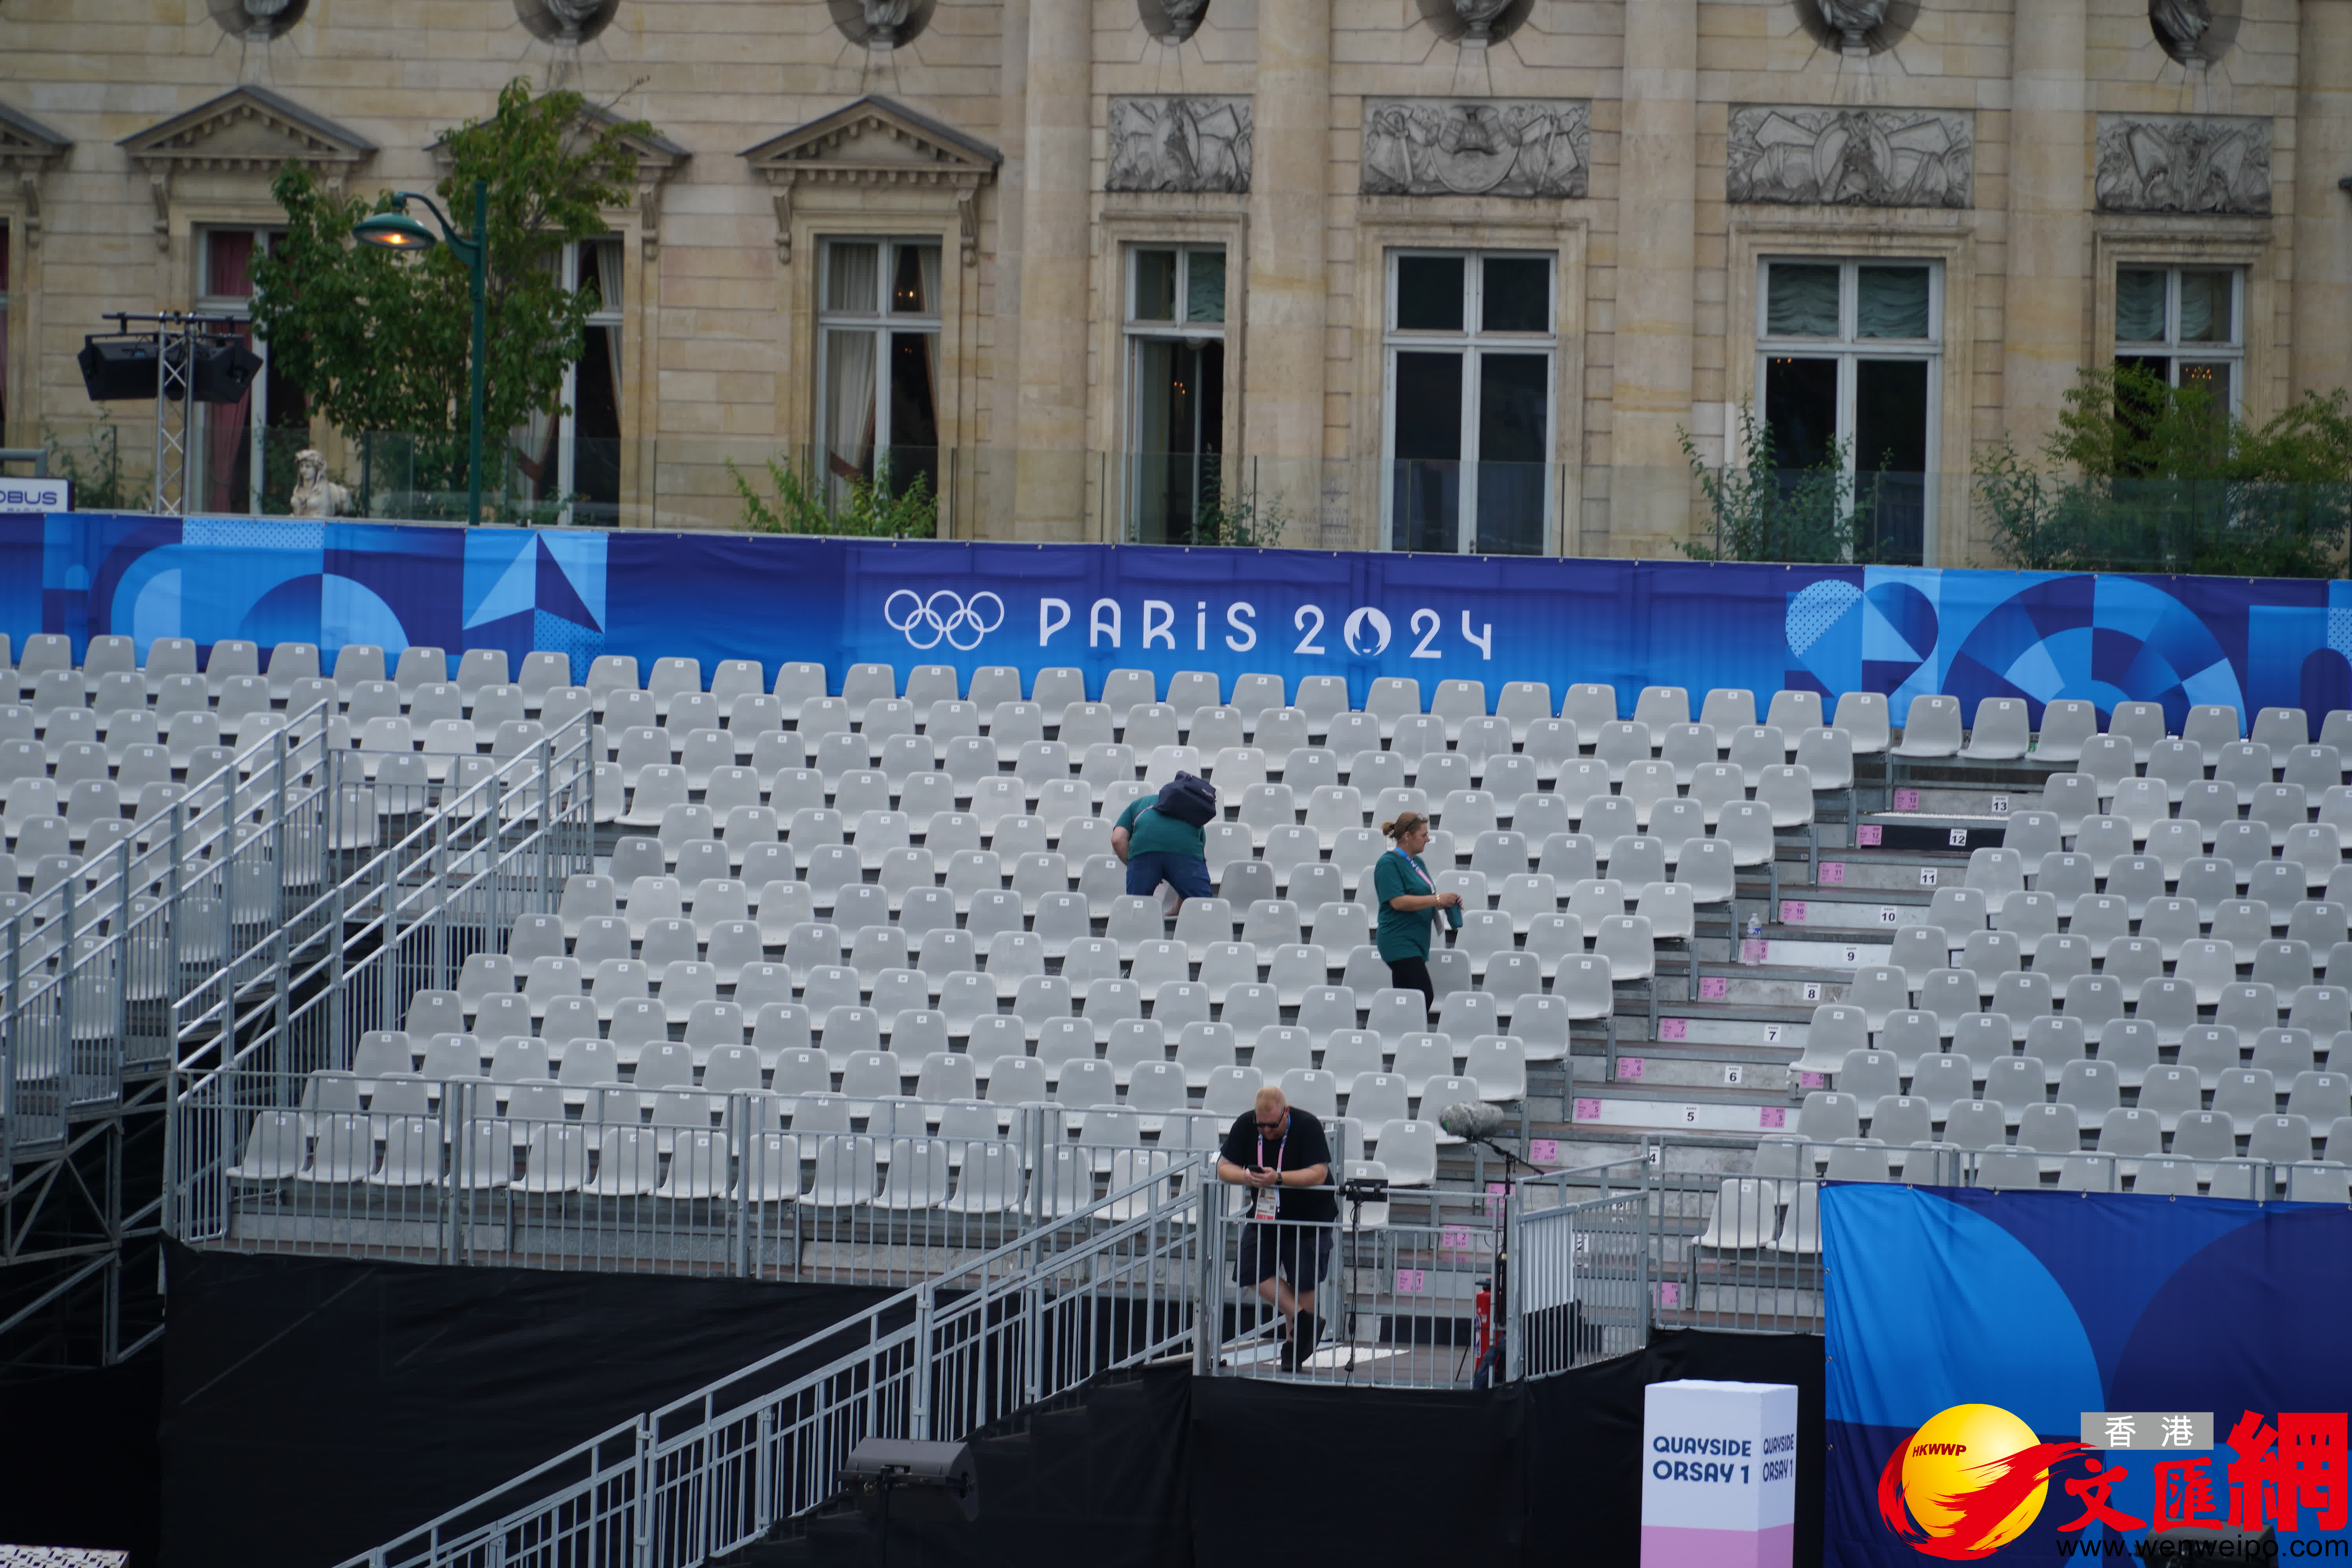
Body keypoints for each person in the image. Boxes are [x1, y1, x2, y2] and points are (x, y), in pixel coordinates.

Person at [1218, 1085, 1336, 1371]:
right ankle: (1303, 1318)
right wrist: (1247, 1176)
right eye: (1262, 1126)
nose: (1266, 1132)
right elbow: (1223, 1167)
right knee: (1251, 1271)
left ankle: (1295, 1350)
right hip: (1266, 1214)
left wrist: (1278, 1178)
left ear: (1286, 1112)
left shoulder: (1307, 1126)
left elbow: (1319, 1174)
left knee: (1304, 1281)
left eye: (1272, 1125)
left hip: (1310, 1216)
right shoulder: (1248, 1124)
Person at [1372, 811, 1460, 1010]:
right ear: (1408, 837)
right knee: (1423, 995)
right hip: (1398, 940)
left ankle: (1401, 1034)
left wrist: (1446, 901)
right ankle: (1408, 1033)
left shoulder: (1417, 863)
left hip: (1416, 940)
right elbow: (1398, 902)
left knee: (1406, 998)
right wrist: (1437, 899)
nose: (1428, 839)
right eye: (1423, 835)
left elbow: (1423, 898)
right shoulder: (1388, 863)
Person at [1112, 791, 1213, 907]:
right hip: (1185, 851)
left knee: (1136, 907)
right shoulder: (1190, 811)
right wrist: (1177, 908)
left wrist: (1137, 867)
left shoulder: (1139, 804)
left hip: (1144, 851)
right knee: (1204, 907)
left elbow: (1118, 839)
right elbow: (1190, 869)